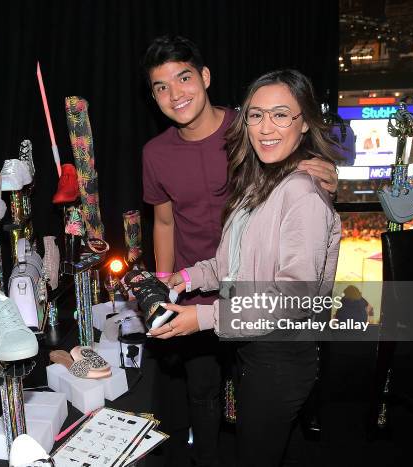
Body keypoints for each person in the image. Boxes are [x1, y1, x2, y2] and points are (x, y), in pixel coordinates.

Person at [142, 36, 338, 466]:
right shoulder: (255, 181)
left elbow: (293, 294)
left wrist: (318, 178)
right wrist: (179, 279)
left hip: (272, 332)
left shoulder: (274, 165)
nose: (265, 127)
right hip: (218, 298)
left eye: (185, 77)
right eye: (257, 117)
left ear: (206, 77)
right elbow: (172, 225)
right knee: (220, 404)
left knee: (264, 430)